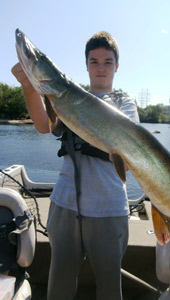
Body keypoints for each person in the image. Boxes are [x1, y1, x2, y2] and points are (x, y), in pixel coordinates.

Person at [12, 31, 139, 300]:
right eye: (94, 61)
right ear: (86, 65)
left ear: (117, 66)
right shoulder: (67, 98)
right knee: (60, 286)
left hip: (108, 211)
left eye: (107, 61)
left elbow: (128, 160)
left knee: (109, 289)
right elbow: (44, 125)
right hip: (65, 207)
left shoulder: (124, 104)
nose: (101, 67)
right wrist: (28, 85)